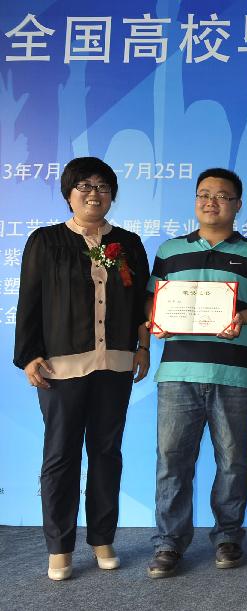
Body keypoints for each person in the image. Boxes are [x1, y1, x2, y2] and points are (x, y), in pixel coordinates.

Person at [14, 157, 151, 580]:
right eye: (84, 185)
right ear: (69, 192)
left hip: (115, 365)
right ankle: (59, 546)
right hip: (60, 368)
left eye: (103, 185)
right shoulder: (46, 241)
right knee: (60, 456)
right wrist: (29, 354)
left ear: (113, 193)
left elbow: (145, 303)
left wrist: (142, 347)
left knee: (107, 453)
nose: (94, 193)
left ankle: (102, 538)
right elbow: (30, 302)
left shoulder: (128, 243)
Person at [146, 168, 247, 578]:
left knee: (234, 461)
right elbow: (153, 303)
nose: (211, 202)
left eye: (222, 196)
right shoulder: (169, 251)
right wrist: (156, 320)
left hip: (235, 375)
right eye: (204, 194)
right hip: (178, 373)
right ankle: (169, 544)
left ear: (237, 205)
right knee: (172, 460)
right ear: (195, 200)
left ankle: (227, 537)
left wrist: (241, 317)